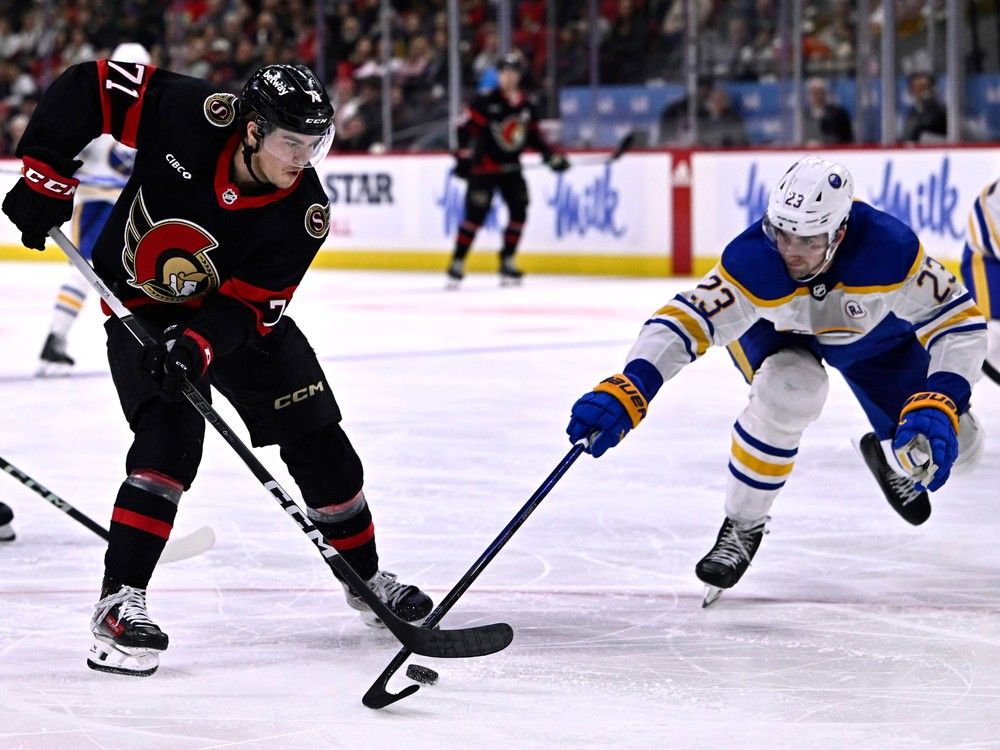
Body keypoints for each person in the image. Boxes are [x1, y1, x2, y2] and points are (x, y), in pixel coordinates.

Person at [2, 60, 433, 676]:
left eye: (314, 145)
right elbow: (89, 88)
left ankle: (366, 582)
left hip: (232, 324)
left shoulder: (304, 210)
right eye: (292, 143)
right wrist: (45, 176)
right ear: (252, 131)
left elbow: (249, 308)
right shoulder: (193, 114)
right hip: (143, 306)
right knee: (169, 441)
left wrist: (198, 345)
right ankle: (118, 605)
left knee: (324, 447)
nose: (303, 159)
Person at [566, 156, 986, 605]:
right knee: (791, 391)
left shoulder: (888, 249)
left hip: (869, 340)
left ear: (840, 232)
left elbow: (958, 320)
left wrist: (942, 396)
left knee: (962, 447)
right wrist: (633, 383)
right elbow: (686, 319)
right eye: (783, 233)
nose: (791, 251)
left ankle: (889, 456)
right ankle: (743, 524)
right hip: (777, 333)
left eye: (808, 240)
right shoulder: (754, 260)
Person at [37, 43, 151, 376]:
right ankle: (57, 337)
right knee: (96, 271)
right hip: (108, 205)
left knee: (100, 273)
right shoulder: (136, 108)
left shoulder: (102, 104)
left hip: (114, 205)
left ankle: (58, 337)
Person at [446, 51, 569, 288]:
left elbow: (534, 137)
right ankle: (458, 261)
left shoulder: (526, 106)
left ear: (519, 75)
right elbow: (463, 130)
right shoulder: (485, 102)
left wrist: (550, 156)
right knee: (475, 216)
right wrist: (462, 158)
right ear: (499, 75)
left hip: (511, 169)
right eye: (505, 72)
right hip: (484, 169)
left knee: (519, 211)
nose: (509, 77)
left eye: (513, 72)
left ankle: (507, 259)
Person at [960, 176, 1000, 384]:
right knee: (992, 330)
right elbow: (988, 215)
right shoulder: (994, 201)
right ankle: (940, 388)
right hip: (986, 258)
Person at [802, 77, 853, 146]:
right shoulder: (804, 116)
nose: (817, 97)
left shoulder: (839, 114)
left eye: (820, 93)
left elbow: (847, 138)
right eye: (814, 93)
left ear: (825, 94)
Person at [901, 72, 947, 144]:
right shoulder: (913, 111)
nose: (922, 92)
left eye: (925, 88)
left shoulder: (941, 112)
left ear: (933, 89)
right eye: (918, 88)